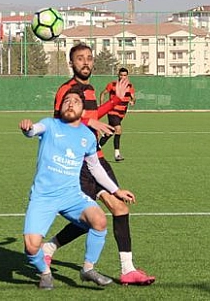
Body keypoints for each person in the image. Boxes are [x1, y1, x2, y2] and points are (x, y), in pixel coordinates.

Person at [41, 43, 155, 286]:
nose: (86, 62)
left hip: (96, 158)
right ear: (71, 63)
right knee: (89, 219)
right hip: (77, 164)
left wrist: (116, 101)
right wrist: (89, 122)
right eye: (80, 58)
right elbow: (59, 119)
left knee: (121, 209)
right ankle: (49, 248)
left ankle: (128, 270)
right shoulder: (67, 90)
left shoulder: (91, 89)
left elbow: (94, 116)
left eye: (89, 58)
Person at [20, 88, 137, 290]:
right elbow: (33, 130)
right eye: (67, 100)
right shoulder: (49, 124)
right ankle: (45, 273)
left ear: (83, 111)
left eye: (76, 101)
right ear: (60, 107)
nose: (71, 103)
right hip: (43, 197)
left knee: (99, 220)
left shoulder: (87, 136)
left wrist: (116, 190)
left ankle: (88, 269)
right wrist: (28, 129)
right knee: (31, 247)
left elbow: (95, 167)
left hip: (71, 195)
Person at [99, 67, 136, 162]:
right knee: (118, 130)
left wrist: (132, 101)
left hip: (121, 114)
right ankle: (117, 154)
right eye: (121, 75)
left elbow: (133, 98)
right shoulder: (112, 85)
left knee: (109, 132)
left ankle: (95, 148)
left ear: (127, 76)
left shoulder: (130, 86)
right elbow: (103, 93)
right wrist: (102, 106)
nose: (123, 77)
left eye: (125, 75)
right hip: (112, 112)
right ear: (118, 75)